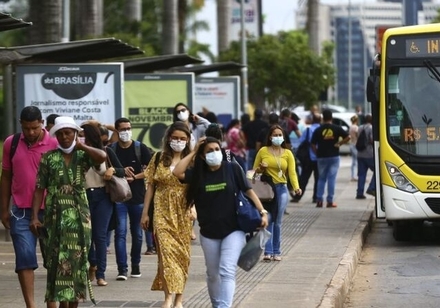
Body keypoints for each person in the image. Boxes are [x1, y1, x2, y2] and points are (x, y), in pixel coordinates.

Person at [173, 136, 269, 308]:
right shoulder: (198, 174)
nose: (215, 153)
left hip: (234, 229)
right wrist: (194, 151)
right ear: (202, 156)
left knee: (227, 270)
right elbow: (177, 172)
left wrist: (262, 212)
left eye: (217, 149)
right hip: (209, 232)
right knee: (212, 274)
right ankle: (218, 304)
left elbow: (248, 191)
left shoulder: (232, 168)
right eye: (209, 151)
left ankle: (224, 306)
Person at [29, 116, 107, 308]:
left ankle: (72, 305)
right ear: (55, 136)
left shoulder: (83, 156)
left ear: (75, 134)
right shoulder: (48, 158)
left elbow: (102, 157)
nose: (64, 137)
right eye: (61, 134)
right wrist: (34, 218)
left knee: (77, 263)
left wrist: (82, 146)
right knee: (55, 263)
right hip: (54, 216)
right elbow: (39, 189)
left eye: (68, 133)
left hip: (79, 216)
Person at [0, 106, 58, 308]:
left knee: (54, 260)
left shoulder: (55, 142)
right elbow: (6, 176)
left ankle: (52, 302)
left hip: (51, 210)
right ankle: (31, 305)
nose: (31, 132)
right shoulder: (12, 143)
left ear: (42, 123)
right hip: (21, 212)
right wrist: (3, 209)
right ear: (20, 125)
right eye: (27, 128)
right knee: (24, 259)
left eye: (34, 127)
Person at [141, 121, 193, 308]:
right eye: (175, 138)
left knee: (181, 256)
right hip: (161, 211)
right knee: (165, 255)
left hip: (183, 213)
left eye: (182, 139)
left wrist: (194, 208)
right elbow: (150, 187)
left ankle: (179, 298)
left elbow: (197, 188)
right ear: (168, 138)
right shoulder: (158, 158)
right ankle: (168, 297)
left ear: (188, 141)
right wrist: (145, 213)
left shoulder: (193, 161)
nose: (178, 141)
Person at [81, 123, 125, 287]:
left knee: (100, 236)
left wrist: (112, 170)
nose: (81, 138)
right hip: (83, 196)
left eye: (84, 135)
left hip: (102, 196)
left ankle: (101, 273)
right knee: (86, 236)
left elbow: (121, 170)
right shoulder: (77, 153)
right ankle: (92, 263)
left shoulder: (106, 152)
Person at [111, 117, 152, 281]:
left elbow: (151, 170)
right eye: (122, 129)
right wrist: (120, 171)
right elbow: (106, 169)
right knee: (120, 232)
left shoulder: (140, 148)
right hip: (119, 196)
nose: (126, 132)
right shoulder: (111, 149)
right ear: (117, 131)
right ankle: (122, 269)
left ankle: (135, 265)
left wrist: (135, 177)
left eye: (128, 128)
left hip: (138, 197)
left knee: (137, 233)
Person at [253, 125, 301, 261]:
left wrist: (296, 187)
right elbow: (253, 172)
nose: (278, 137)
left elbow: (292, 172)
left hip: (281, 189)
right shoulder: (263, 151)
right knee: (269, 219)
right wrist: (260, 169)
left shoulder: (287, 153)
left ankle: (276, 251)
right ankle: (268, 251)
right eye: (275, 135)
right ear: (270, 137)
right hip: (267, 190)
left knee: (278, 220)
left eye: (280, 135)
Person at [311, 109, 350, 208]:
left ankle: (319, 200)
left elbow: (312, 144)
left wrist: (317, 152)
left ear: (323, 118)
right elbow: (348, 137)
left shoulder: (318, 129)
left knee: (321, 179)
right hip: (334, 156)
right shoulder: (337, 128)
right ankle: (330, 201)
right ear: (331, 117)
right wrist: (339, 143)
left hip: (321, 157)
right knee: (331, 179)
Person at [292, 113, 321, 203]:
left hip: (308, 158)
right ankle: (316, 197)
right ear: (320, 121)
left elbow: (300, 141)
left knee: (304, 178)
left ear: (312, 120)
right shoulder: (321, 130)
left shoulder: (308, 130)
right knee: (318, 179)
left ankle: (297, 196)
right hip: (319, 158)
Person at [356, 114, 376, 199]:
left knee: (361, 174)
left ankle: (359, 193)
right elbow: (371, 140)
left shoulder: (360, 127)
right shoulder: (371, 128)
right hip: (369, 154)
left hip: (360, 154)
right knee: (378, 171)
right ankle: (371, 187)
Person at [349, 115, 359, 182]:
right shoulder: (356, 127)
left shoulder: (350, 127)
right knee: (356, 161)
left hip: (351, 144)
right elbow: (358, 135)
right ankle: (355, 176)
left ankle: (353, 175)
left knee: (353, 161)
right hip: (355, 144)